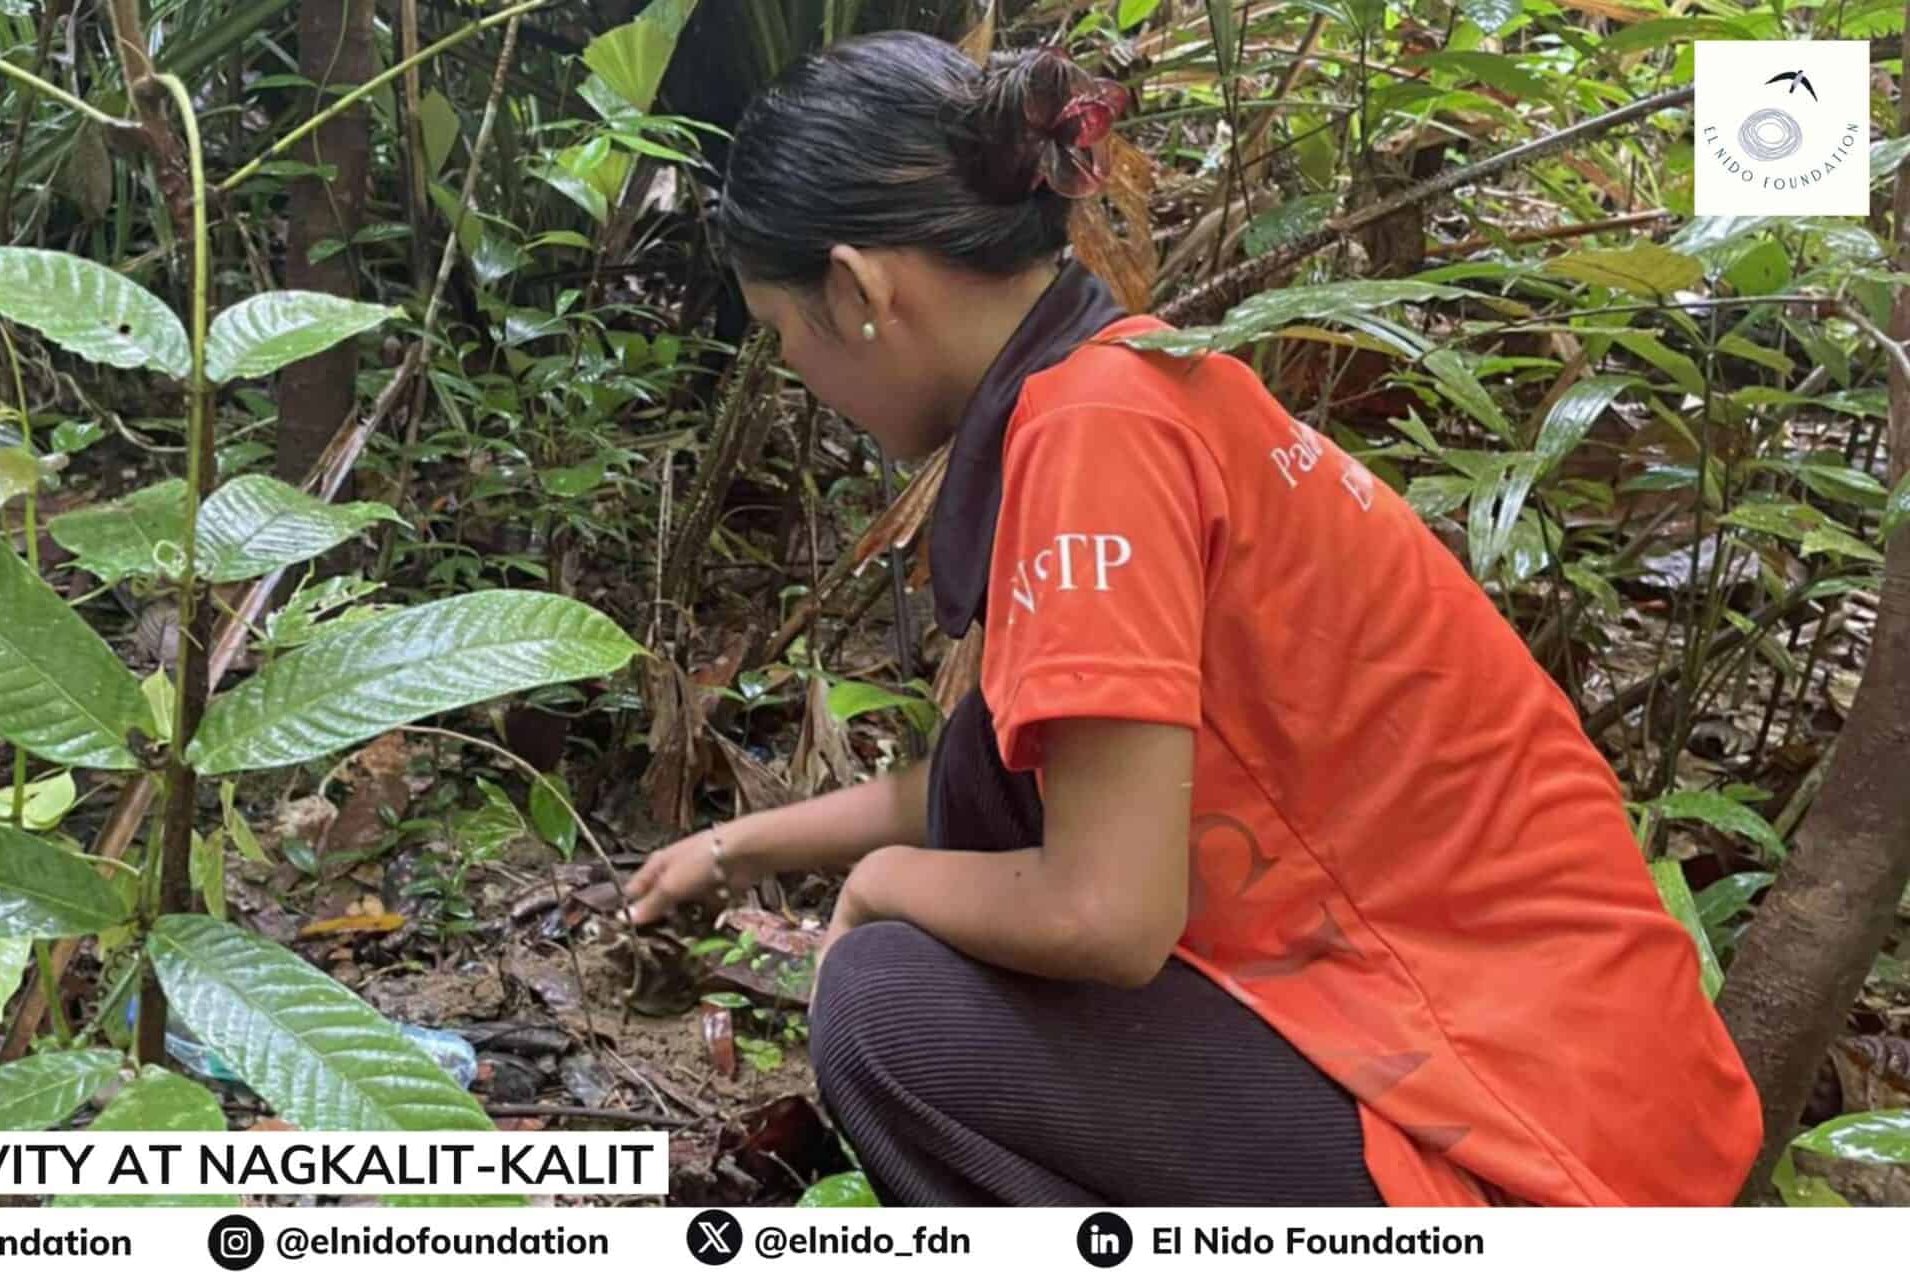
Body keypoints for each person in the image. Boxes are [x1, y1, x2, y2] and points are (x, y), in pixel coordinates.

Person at [622, 32, 1762, 1208]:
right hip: (1579, 1083)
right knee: (962, 837)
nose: (796, 370)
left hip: (1514, 1137)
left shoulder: (1092, 437)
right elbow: (1024, 778)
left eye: (781, 331)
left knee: (885, 1007)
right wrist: (738, 846)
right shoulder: (1140, 381)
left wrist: (877, 887)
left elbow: (1106, 913)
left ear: (859, 291)